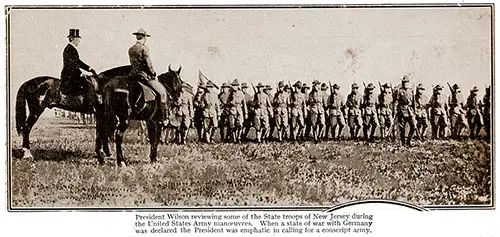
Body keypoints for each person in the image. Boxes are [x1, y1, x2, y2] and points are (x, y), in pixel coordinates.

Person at [128, 28, 168, 126]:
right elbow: (148, 64)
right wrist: (153, 73)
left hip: (132, 75)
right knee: (162, 93)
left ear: (137, 36)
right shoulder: (144, 48)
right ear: (144, 37)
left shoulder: (131, 49)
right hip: (143, 76)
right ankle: (163, 118)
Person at [60, 29, 97, 109]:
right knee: (88, 85)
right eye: (78, 39)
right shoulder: (69, 49)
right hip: (69, 76)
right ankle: (87, 106)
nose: (79, 41)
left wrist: (89, 68)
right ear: (73, 39)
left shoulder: (72, 49)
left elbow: (78, 62)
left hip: (72, 74)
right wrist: (81, 74)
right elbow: (71, 65)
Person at [393, 75, 416, 146]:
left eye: (406, 82)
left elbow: (413, 102)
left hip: (410, 111)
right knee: (402, 128)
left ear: (408, 83)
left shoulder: (411, 91)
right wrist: (395, 110)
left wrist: (414, 111)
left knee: (413, 127)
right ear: (402, 83)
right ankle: (403, 143)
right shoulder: (399, 91)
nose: (405, 83)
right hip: (402, 111)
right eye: (404, 82)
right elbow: (396, 101)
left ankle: (408, 141)